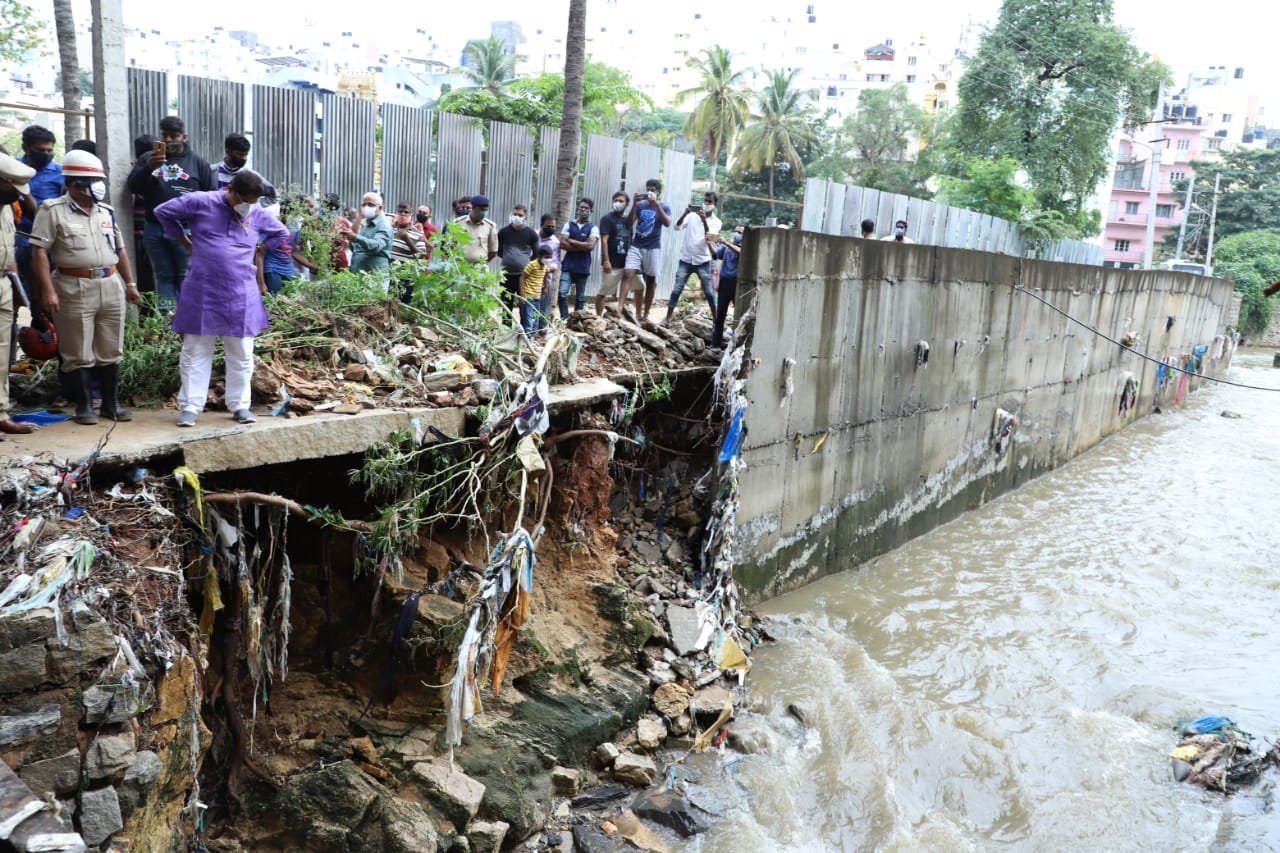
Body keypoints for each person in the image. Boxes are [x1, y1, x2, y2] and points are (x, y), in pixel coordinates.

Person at [154, 170, 288, 427]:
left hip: (241, 291)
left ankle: (240, 406)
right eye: (245, 200)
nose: (248, 206)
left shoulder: (256, 213)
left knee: (241, 352)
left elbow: (282, 234)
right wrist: (183, 241)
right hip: (203, 288)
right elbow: (163, 211)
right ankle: (191, 406)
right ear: (232, 191)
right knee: (195, 349)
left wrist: (261, 248)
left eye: (253, 201)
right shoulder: (200, 201)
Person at [28, 150, 140, 425]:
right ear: (75, 184)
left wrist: (130, 283)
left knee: (111, 348)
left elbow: (121, 250)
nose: (98, 187)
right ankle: (84, 406)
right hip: (72, 285)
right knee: (78, 350)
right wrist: (48, 291)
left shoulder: (106, 211)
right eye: (92, 181)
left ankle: (111, 405)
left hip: (109, 283)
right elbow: (39, 252)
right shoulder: (52, 210)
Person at [127, 116, 215, 310]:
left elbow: (211, 199)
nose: (168, 140)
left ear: (184, 137)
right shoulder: (148, 158)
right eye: (165, 135)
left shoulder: (198, 163)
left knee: (186, 276)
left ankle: (187, 318)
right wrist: (149, 167)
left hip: (186, 231)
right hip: (154, 228)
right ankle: (167, 320)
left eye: (173, 136)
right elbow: (133, 187)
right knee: (163, 277)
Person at [0, 151, 38, 435]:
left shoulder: (5, 207)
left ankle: (1, 412)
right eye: (12, 188)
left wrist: (13, 285)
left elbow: (8, 247)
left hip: (3, 281)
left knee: (3, 352)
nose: (17, 196)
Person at [14, 126, 64, 324]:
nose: (46, 154)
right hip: (20, 239)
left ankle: (49, 329)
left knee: (49, 289)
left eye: (49, 150)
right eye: (40, 150)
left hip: (49, 241)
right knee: (24, 293)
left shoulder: (60, 173)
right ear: (26, 147)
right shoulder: (13, 168)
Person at [620, 178, 671, 322]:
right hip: (637, 245)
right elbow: (629, 223)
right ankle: (620, 307)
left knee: (651, 280)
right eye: (648, 189)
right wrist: (634, 205)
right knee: (628, 273)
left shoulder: (664, 206)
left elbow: (667, 223)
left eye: (653, 190)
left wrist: (656, 205)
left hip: (653, 247)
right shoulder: (641, 205)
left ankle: (645, 314)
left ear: (658, 192)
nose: (650, 192)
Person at [664, 196, 716, 325]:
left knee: (709, 292)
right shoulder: (691, 216)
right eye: (705, 201)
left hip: (703, 261)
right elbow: (677, 227)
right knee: (677, 289)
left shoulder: (716, 221)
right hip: (686, 259)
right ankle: (668, 318)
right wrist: (685, 213)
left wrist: (704, 221)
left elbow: (710, 237)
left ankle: (716, 320)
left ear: (715, 204)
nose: (707, 203)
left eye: (710, 201)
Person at [255, 197, 317, 295]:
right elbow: (259, 253)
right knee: (275, 301)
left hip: (288, 270)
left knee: (289, 301)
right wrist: (261, 283)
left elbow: (292, 250)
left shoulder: (295, 226)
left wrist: (311, 266)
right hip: (272, 269)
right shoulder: (274, 226)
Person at [558, 197, 599, 317]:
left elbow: (590, 247)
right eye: (581, 207)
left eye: (586, 208)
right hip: (568, 266)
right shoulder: (569, 224)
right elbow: (562, 243)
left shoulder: (593, 228)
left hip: (583, 267)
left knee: (580, 298)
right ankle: (564, 319)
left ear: (591, 211)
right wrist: (582, 245)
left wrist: (571, 240)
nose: (583, 210)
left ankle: (577, 319)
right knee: (562, 293)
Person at [596, 191, 630, 317]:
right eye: (616, 200)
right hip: (612, 263)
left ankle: (637, 315)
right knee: (603, 291)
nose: (618, 203)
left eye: (621, 201)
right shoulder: (607, 219)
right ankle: (598, 318)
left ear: (627, 204)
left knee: (639, 285)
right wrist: (606, 260)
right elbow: (604, 240)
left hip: (627, 263)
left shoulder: (628, 220)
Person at [497, 204, 539, 305]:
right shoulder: (503, 232)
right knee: (506, 304)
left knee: (524, 304)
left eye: (520, 215)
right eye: (514, 214)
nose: (516, 217)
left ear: (525, 217)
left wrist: (524, 261)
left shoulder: (531, 234)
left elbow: (536, 253)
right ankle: (506, 321)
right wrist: (509, 258)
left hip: (523, 275)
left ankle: (523, 321)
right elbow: (499, 251)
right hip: (506, 275)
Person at [343, 192, 393, 276]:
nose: (366, 207)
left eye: (370, 205)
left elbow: (376, 246)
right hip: (361, 275)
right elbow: (358, 249)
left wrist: (355, 237)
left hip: (374, 277)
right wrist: (350, 239)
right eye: (364, 204)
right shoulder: (367, 224)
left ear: (380, 207)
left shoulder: (383, 225)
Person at [711, 225, 744, 349]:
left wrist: (726, 242)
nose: (736, 234)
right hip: (724, 283)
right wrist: (709, 242)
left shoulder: (745, 248)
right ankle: (715, 343)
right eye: (735, 231)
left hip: (738, 285)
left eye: (740, 232)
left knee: (740, 315)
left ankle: (737, 344)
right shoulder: (726, 247)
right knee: (720, 315)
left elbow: (741, 252)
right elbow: (715, 253)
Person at [518, 244, 555, 334]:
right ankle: (528, 339)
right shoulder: (532, 265)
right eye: (546, 257)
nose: (548, 259)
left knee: (535, 319)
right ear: (539, 256)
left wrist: (545, 287)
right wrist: (522, 295)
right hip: (529, 296)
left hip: (537, 297)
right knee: (528, 320)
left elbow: (545, 275)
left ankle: (532, 338)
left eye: (550, 257)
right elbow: (522, 278)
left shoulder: (545, 266)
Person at [455, 195, 498, 265]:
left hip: (479, 269)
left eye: (486, 210)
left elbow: (493, 251)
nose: (483, 213)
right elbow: (450, 246)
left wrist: (482, 263)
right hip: (460, 268)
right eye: (481, 210)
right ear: (473, 208)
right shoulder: (458, 223)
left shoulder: (490, 226)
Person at [536, 214, 561, 323]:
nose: (551, 229)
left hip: (545, 280)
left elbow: (555, 262)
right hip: (530, 278)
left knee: (543, 309)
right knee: (529, 307)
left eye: (553, 227)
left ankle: (541, 333)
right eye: (548, 226)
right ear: (541, 225)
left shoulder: (555, 243)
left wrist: (544, 270)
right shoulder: (533, 236)